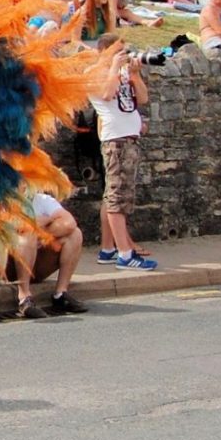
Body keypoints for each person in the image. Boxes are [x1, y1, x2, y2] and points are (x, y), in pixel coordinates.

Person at [89, 38, 157, 270]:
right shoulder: (94, 73)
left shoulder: (124, 73)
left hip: (129, 139)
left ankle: (108, 249)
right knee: (116, 199)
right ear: (104, 52)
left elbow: (143, 99)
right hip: (114, 141)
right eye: (119, 51)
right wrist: (115, 70)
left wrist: (135, 75)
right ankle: (125, 255)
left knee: (118, 197)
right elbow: (106, 94)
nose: (124, 55)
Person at [6, 193, 89, 318]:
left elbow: (69, 223)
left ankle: (60, 294)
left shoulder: (42, 199)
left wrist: (43, 230)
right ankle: (23, 297)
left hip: (36, 262)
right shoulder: (2, 200)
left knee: (75, 234)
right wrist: (44, 223)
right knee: (28, 234)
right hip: (7, 267)